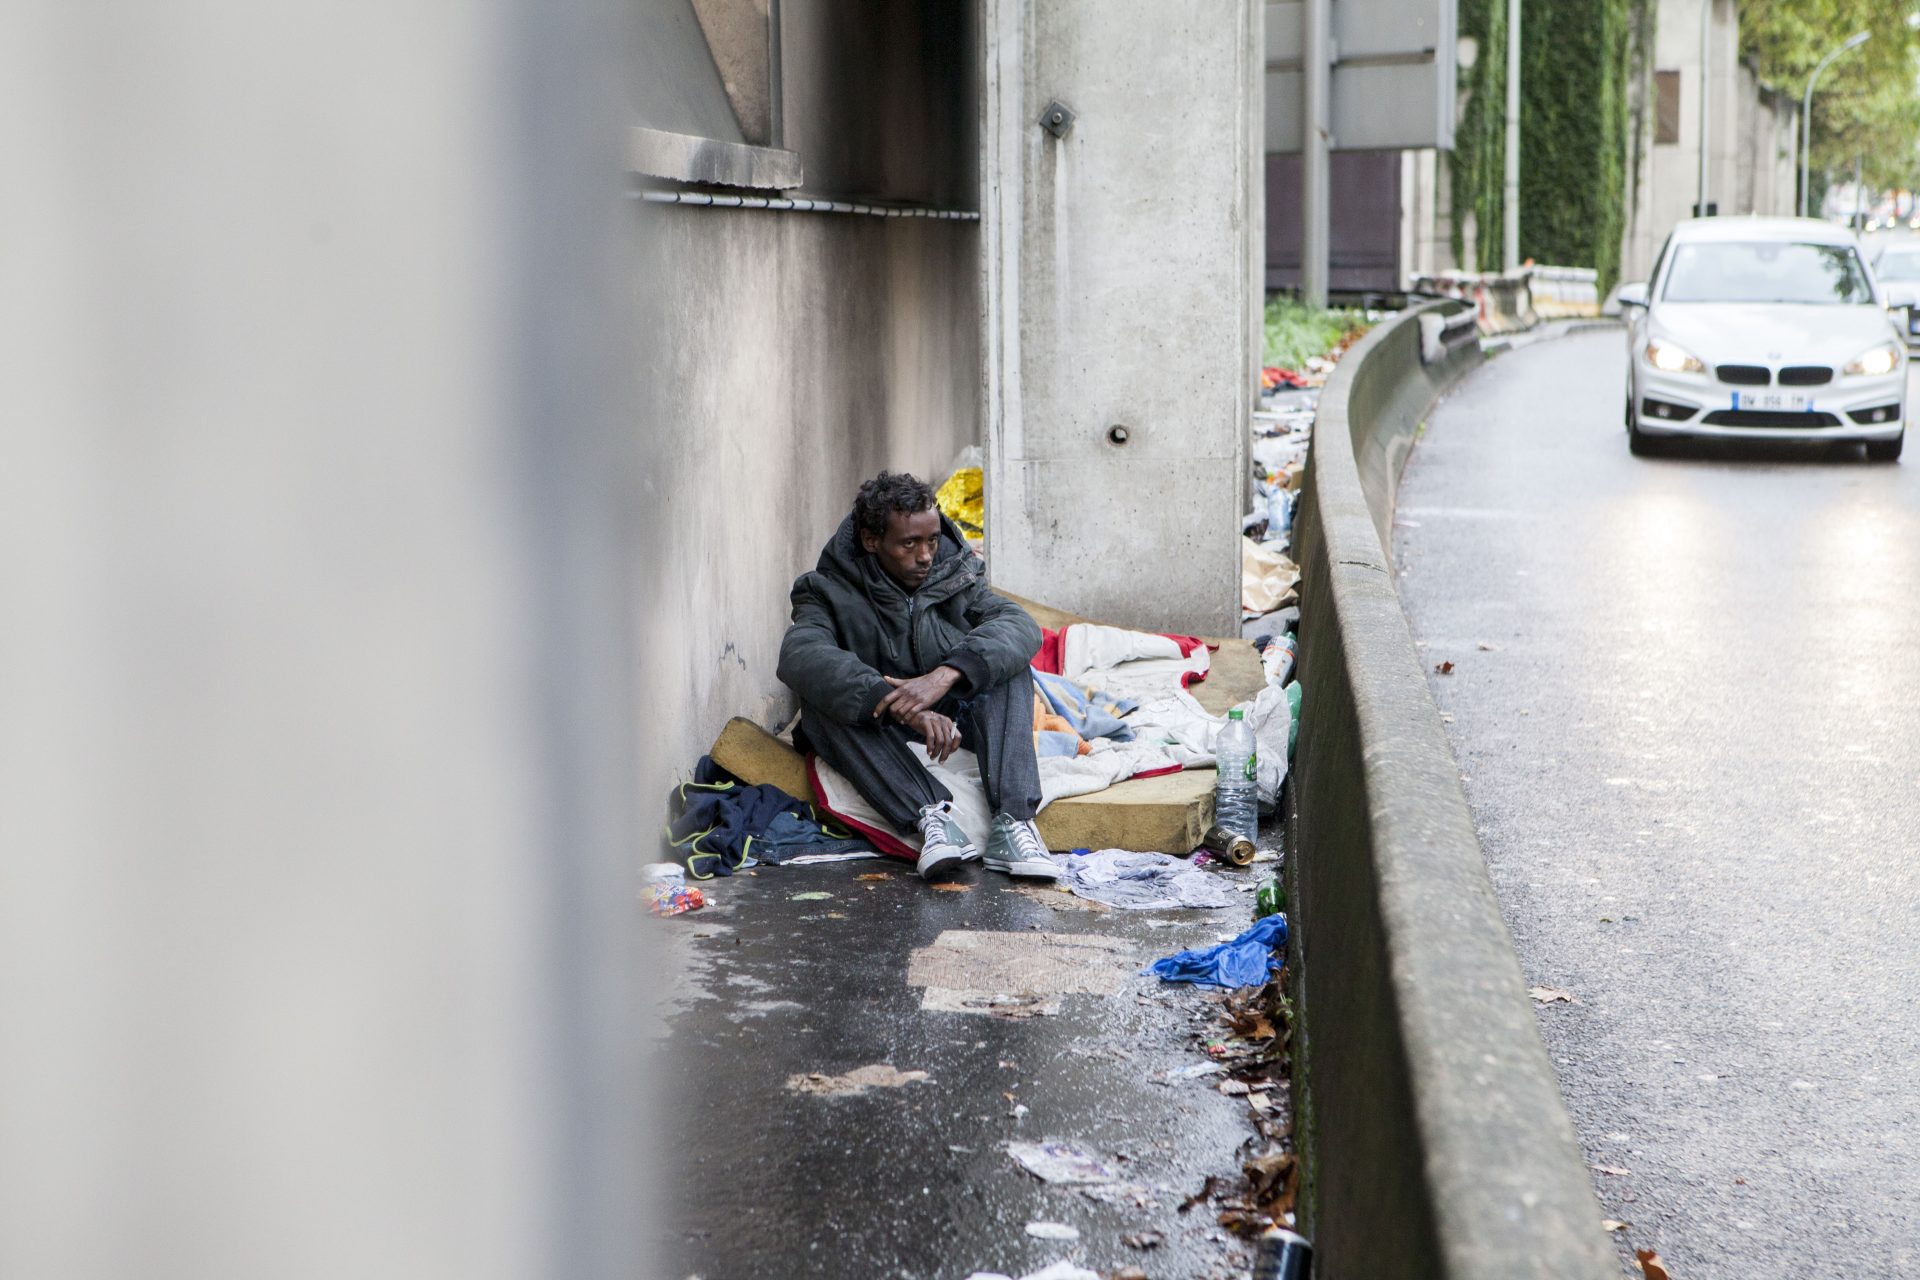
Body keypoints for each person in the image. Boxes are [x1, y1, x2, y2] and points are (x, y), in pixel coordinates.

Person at [777, 471, 1061, 882]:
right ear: (871, 540)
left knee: (1008, 665)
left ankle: (1013, 823)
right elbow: (799, 653)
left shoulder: (955, 571)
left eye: (931, 540)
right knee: (820, 706)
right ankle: (931, 817)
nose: (925, 555)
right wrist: (901, 707)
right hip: (882, 727)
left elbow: (1018, 624)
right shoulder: (827, 589)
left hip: (955, 714)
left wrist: (945, 676)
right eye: (909, 544)